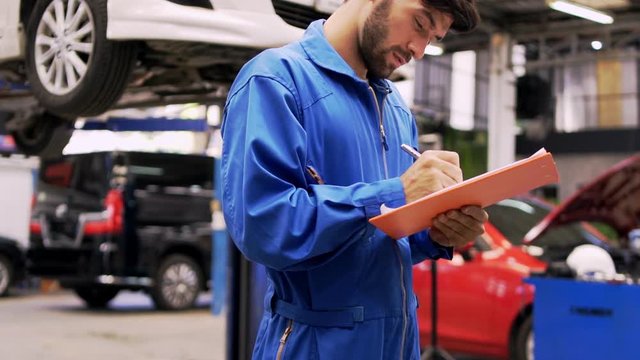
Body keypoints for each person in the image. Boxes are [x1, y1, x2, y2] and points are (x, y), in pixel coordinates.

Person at [221, 0, 487, 359]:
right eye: (420, 24)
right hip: (314, 345)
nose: (419, 50)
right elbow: (264, 226)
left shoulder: (395, 110)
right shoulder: (275, 81)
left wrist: (436, 233)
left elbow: (376, 242)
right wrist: (397, 193)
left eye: (433, 38)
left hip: (397, 344)